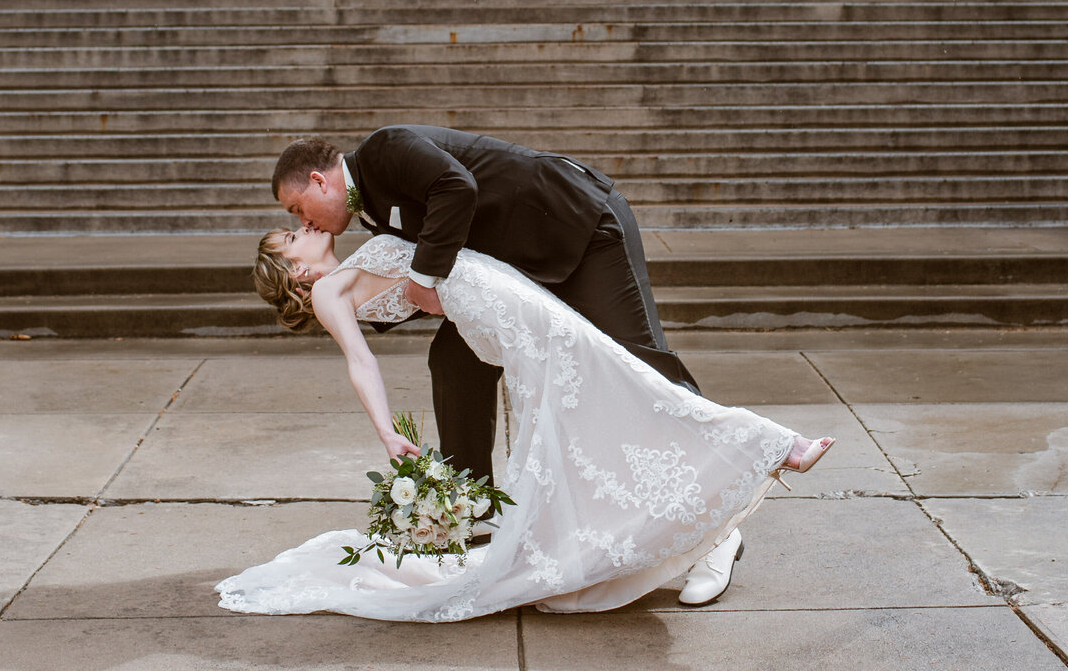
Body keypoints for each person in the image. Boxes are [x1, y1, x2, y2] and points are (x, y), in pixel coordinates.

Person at [217, 228, 833, 621]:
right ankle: (773, 447)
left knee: (608, 390)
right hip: (496, 307)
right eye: (292, 239)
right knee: (618, 383)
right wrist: (385, 431)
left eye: (295, 223)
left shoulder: (352, 254)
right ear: (298, 275)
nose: (303, 229)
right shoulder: (329, 294)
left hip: (496, 296)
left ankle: (724, 492)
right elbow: (361, 362)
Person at [266, 128, 747, 605]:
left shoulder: (385, 150)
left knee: (642, 366)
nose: (306, 222)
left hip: (577, 228)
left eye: (297, 209)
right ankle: (471, 508)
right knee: (455, 364)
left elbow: (456, 187)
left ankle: (719, 528)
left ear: (318, 181)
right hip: (518, 271)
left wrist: (418, 278)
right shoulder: (367, 207)